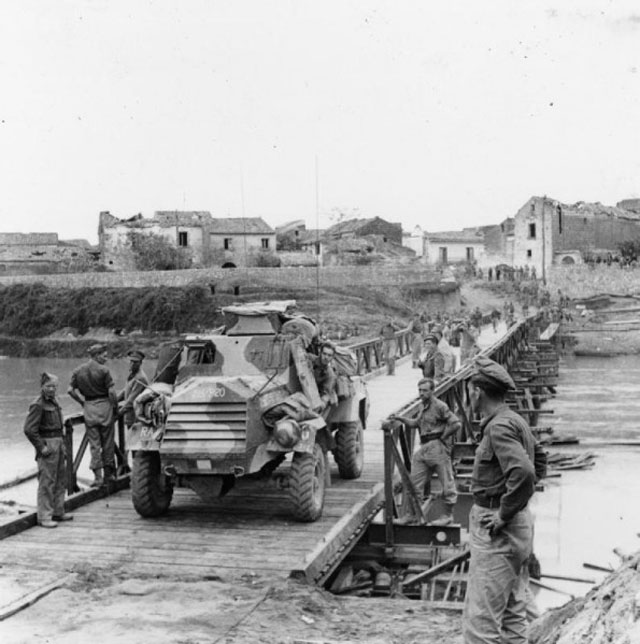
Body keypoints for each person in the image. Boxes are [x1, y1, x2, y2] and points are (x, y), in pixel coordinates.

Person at [463, 356, 547, 644]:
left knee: (481, 623)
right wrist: (518, 505)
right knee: (513, 614)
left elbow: (524, 472)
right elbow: (541, 462)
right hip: (519, 528)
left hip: (498, 530)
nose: (469, 396)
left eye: (470, 391)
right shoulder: (515, 420)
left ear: (478, 391)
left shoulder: (497, 427)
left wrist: (503, 513)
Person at [390, 378, 461, 526]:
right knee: (414, 484)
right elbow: (416, 423)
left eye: (425, 390)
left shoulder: (440, 406)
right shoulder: (423, 406)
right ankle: (411, 515)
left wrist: (443, 437)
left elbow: (455, 424)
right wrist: (400, 418)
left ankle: (447, 515)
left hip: (437, 448)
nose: (421, 393)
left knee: (447, 484)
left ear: (432, 391)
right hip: (424, 448)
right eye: (420, 390)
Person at [23, 373, 73, 528]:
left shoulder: (55, 402)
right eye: (48, 386)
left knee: (60, 479)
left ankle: (58, 511)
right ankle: (44, 516)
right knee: (47, 482)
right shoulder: (38, 405)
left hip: (58, 442)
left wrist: (63, 444)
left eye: (54, 386)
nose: (51, 389)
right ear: (42, 387)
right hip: (48, 444)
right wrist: (41, 447)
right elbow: (29, 430)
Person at [68, 344, 118, 487]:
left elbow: (70, 390)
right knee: (108, 442)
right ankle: (109, 476)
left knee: (94, 444)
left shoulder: (78, 371)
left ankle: (97, 478)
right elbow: (112, 393)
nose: (106, 358)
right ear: (96, 356)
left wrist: (82, 402)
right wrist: (115, 407)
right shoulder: (104, 370)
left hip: (89, 409)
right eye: (104, 355)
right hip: (105, 408)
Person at [311, 341, 338, 412]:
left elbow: (326, 393)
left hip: (316, 398)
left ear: (332, 357)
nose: (326, 357)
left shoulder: (330, 374)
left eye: (329, 355)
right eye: (324, 354)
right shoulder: (310, 360)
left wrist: (321, 404)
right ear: (320, 353)